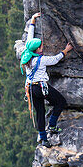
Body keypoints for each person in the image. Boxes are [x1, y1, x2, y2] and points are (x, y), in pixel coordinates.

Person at [19, 12, 73, 145]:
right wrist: (66, 50)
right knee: (60, 102)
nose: (43, 47)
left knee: (40, 112)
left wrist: (33, 20)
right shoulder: (41, 60)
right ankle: (53, 125)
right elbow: (55, 59)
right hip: (41, 87)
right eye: (41, 46)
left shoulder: (27, 53)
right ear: (37, 49)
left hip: (31, 88)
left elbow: (29, 39)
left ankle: (43, 138)